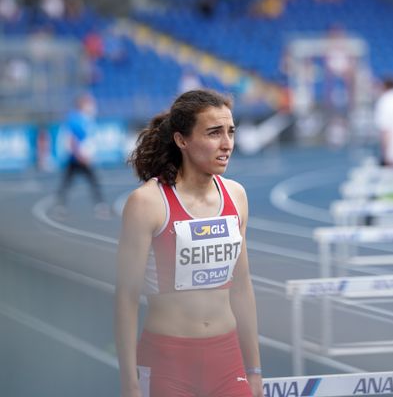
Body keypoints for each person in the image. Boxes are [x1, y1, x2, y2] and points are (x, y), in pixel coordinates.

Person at [115, 89, 263, 397]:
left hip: (227, 360)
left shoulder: (236, 196)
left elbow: (242, 286)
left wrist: (254, 370)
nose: (227, 144)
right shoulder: (147, 203)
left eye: (230, 132)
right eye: (214, 133)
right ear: (182, 140)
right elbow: (126, 297)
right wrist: (129, 381)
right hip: (168, 363)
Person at [55, 92, 110, 218]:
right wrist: (79, 155)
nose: (92, 106)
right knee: (73, 181)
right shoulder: (75, 119)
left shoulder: (87, 119)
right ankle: (61, 205)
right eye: (89, 102)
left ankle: (61, 205)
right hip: (77, 158)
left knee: (73, 181)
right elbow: (71, 139)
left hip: (84, 158)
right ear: (82, 104)